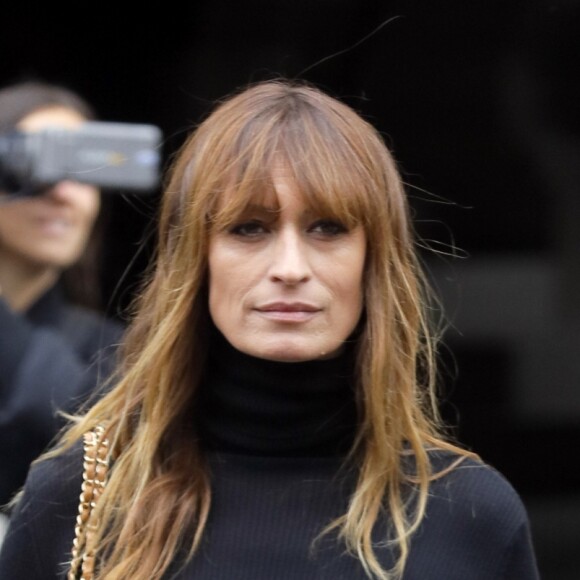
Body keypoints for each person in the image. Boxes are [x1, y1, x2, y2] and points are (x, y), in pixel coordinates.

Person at [0, 79, 540, 579]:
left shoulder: (471, 515)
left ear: (373, 260)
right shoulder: (78, 498)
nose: (289, 266)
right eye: (248, 228)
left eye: (327, 227)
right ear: (196, 259)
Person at [0, 81, 124, 512]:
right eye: (35, 165)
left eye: (84, 170)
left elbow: (87, 445)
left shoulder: (115, 353)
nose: (62, 192)